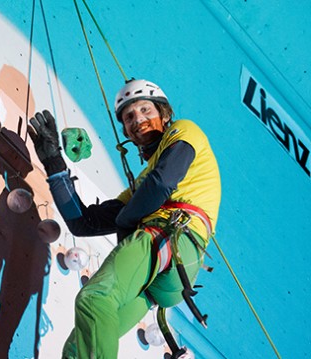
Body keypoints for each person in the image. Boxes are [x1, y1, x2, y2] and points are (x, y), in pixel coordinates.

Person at [28, 79, 221, 358]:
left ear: (165, 115)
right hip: (167, 277)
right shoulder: (141, 184)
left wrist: (127, 222)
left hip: (171, 237)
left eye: (146, 110)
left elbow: (162, 183)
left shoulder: (184, 131)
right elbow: (83, 222)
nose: (138, 120)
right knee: (78, 345)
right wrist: (53, 162)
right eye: (129, 118)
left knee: (94, 298)